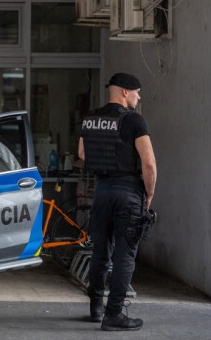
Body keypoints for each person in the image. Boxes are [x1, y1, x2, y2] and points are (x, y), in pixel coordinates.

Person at [78, 73, 157, 331]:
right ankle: (114, 315)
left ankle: (95, 309)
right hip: (129, 193)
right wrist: (149, 194)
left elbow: (82, 153)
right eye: (136, 92)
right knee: (124, 256)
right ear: (124, 91)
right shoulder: (134, 120)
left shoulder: (91, 118)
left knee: (100, 253)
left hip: (101, 192)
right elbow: (148, 163)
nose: (139, 97)